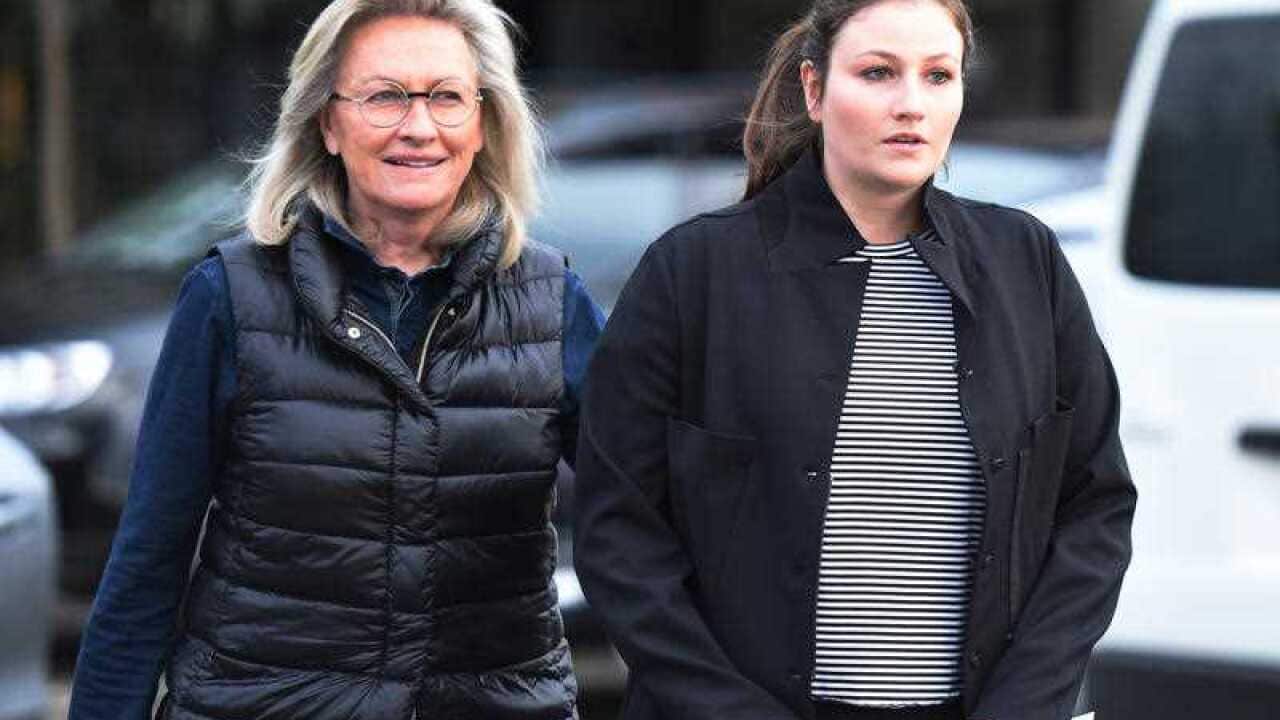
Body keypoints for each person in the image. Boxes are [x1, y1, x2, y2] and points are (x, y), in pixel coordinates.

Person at [573, 1, 1135, 719]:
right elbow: (620, 532)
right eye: (877, 73)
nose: (911, 105)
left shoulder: (1028, 264)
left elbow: (1095, 506)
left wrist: (1026, 703)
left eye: (938, 76)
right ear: (814, 89)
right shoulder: (692, 274)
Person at [69, 1, 601, 718]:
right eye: (384, 96)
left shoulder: (551, 301)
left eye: (446, 97)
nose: (419, 127)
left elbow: (651, 521)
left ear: (484, 123)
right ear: (327, 122)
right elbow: (149, 560)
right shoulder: (231, 297)